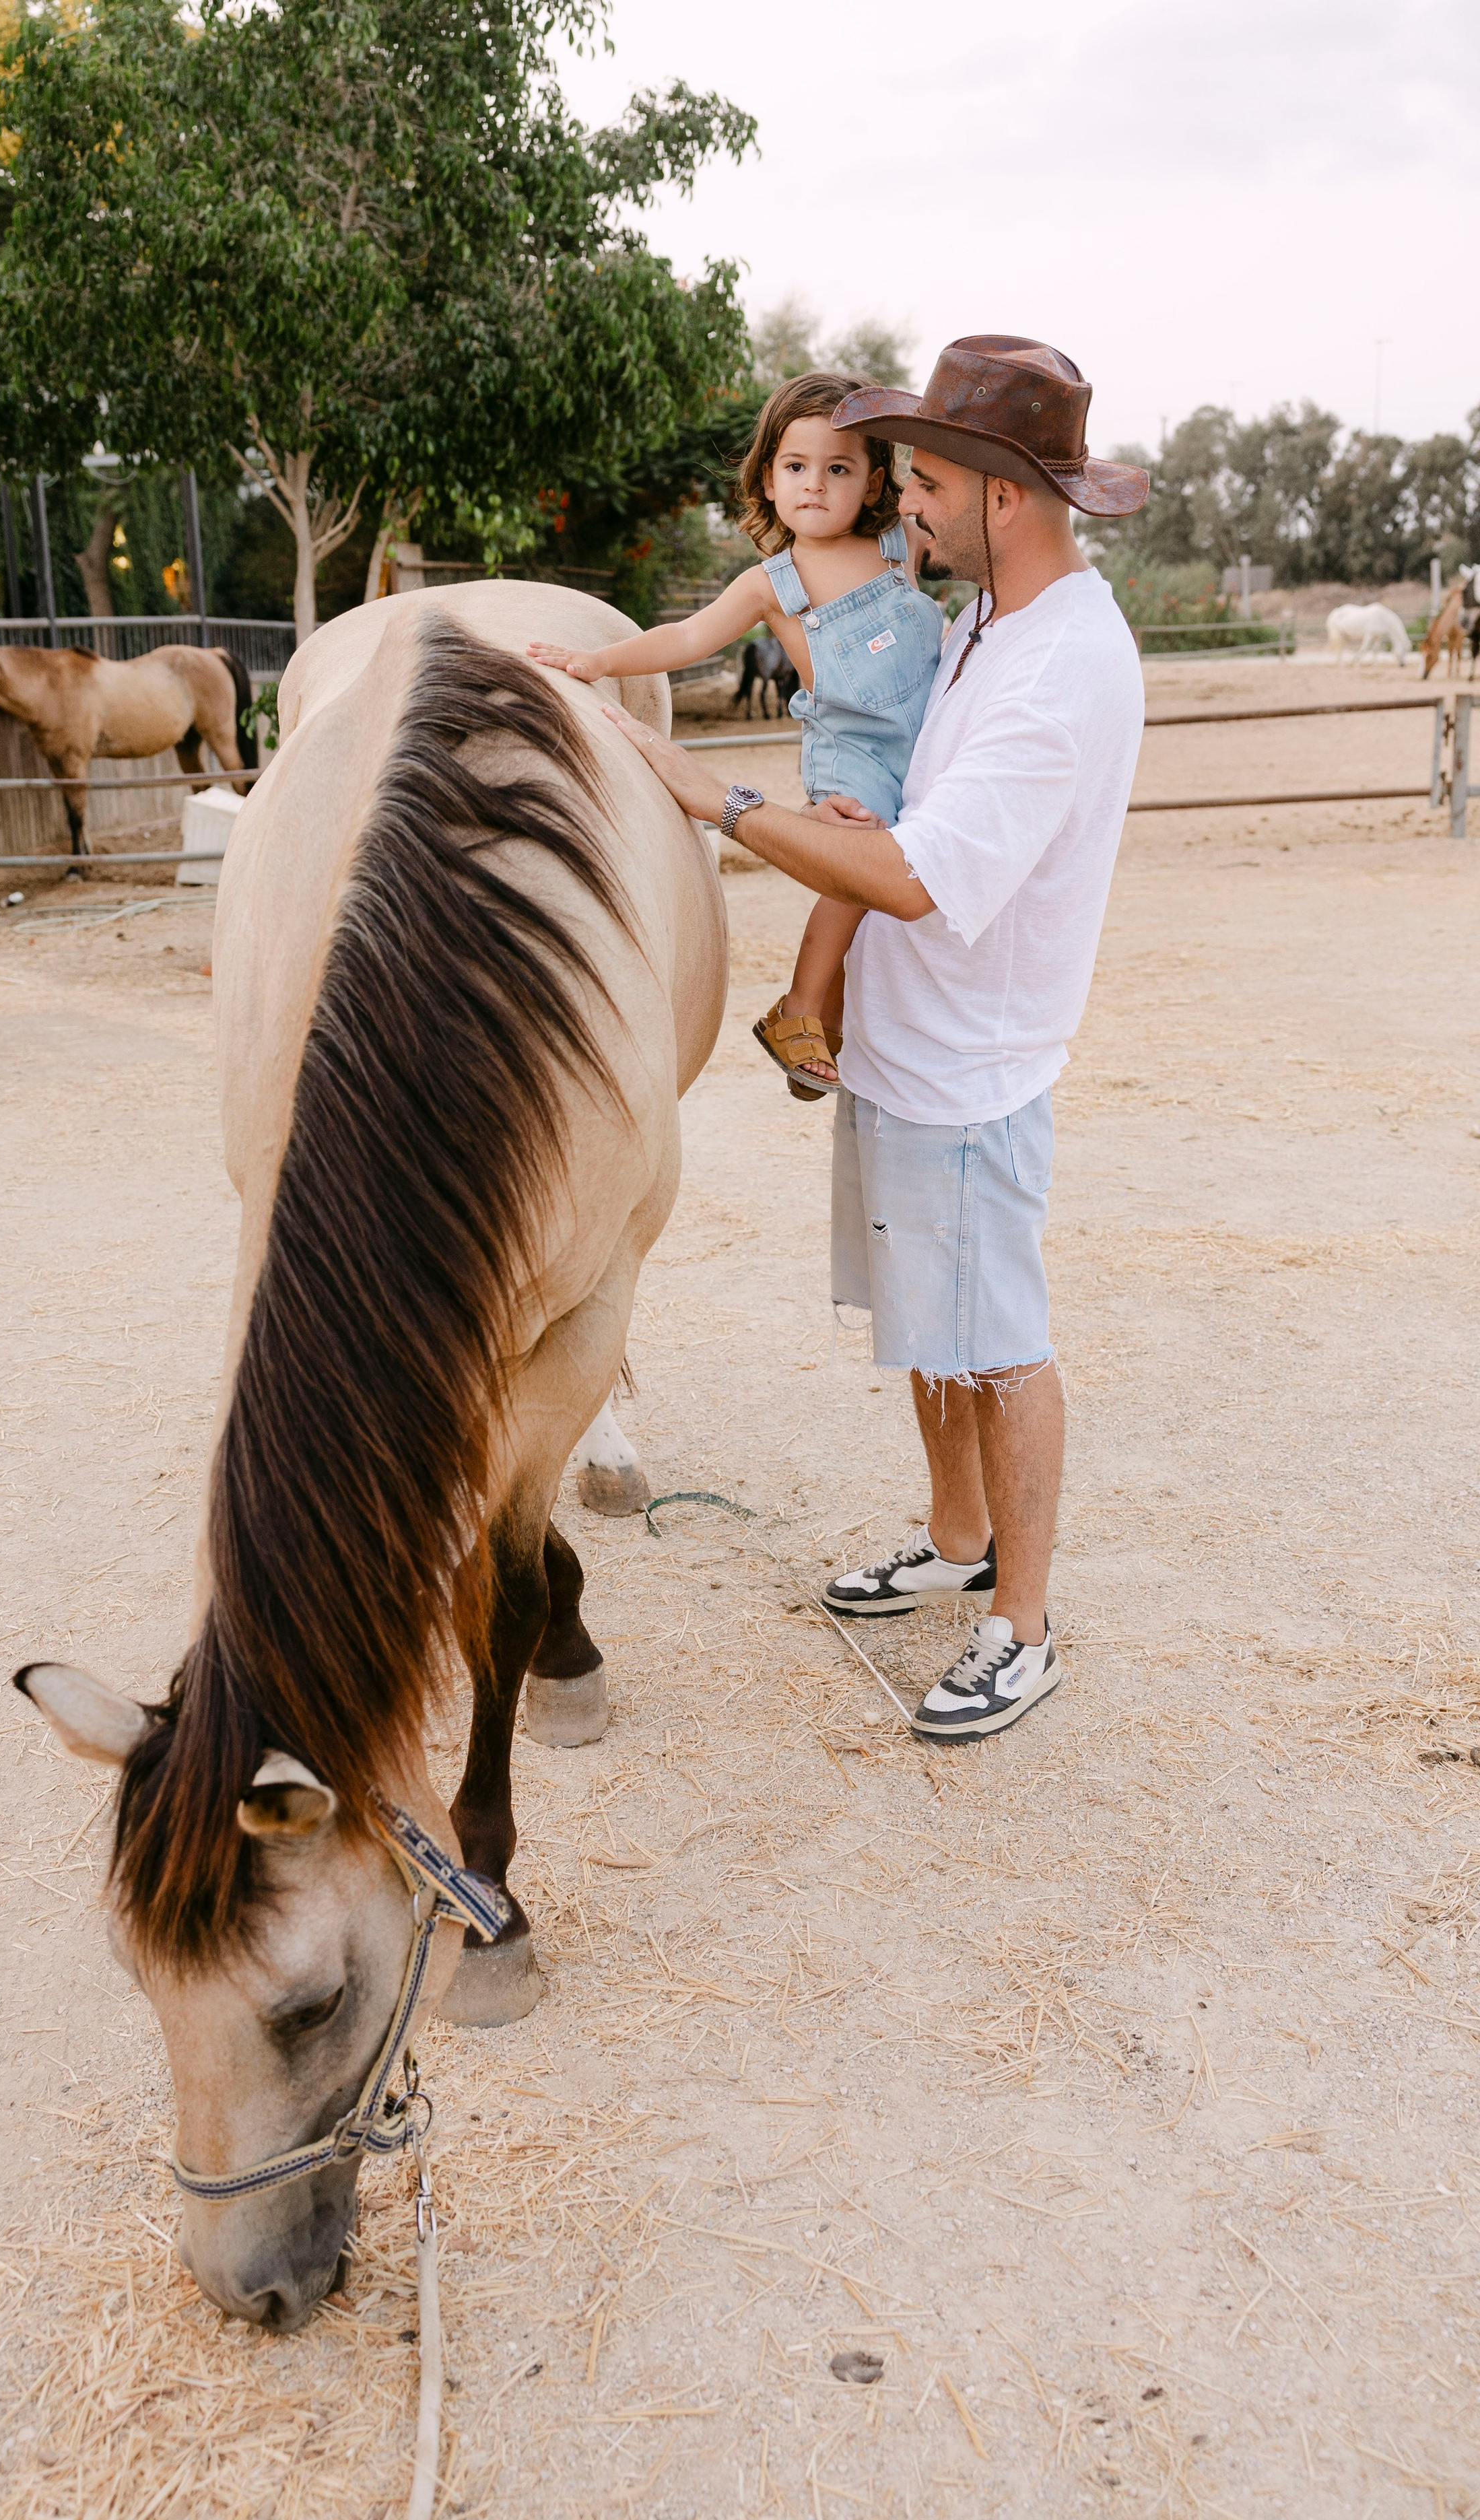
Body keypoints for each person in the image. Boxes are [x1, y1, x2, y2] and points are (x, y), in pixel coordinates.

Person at [599, 335, 1149, 1746]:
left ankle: (1018, 1625)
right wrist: (858, 820)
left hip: (968, 1063)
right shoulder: (980, 622)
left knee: (999, 1344)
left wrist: (709, 799)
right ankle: (953, 1537)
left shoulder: (1058, 670)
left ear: (1000, 499)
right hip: (906, 1043)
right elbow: (911, 818)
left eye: (919, 482)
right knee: (929, 1331)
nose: (898, 501)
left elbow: (918, 884)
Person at [528, 371, 942, 1100]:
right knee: (852, 885)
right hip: (857, 757)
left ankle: (839, 1020)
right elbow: (687, 637)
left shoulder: (898, 542)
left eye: (837, 469)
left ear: (875, 483)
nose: (814, 485)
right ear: (769, 478)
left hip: (930, 745)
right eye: (795, 467)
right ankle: (800, 1012)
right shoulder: (772, 584)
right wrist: (597, 660)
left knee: (897, 902)